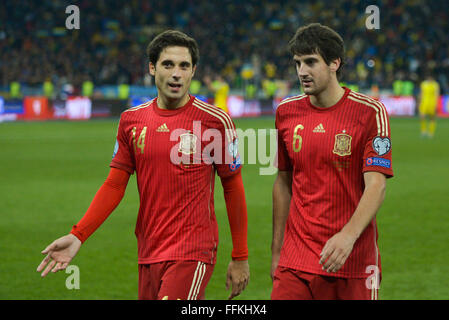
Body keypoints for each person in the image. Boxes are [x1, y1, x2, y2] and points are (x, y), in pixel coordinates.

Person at [37, 30, 250, 300]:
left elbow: (232, 186)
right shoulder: (131, 120)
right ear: (152, 68)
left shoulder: (215, 121)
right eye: (168, 64)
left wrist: (240, 255)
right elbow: (114, 184)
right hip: (148, 250)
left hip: (193, 250)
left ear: (194, 71)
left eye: (184, 66)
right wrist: (79, 234)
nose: (176, 73)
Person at [271, 23, 394, 300]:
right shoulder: (286, 112)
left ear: (334, 63)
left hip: (352, 262)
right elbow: (282, 182)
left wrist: (347, 236)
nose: (302, 71)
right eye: (298, 63)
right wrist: (277, 250)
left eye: (311, 62)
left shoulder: (370, 112)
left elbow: (376, 185)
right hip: (295, 262)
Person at [418, 72, 440, 138]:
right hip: (424, 102)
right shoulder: (423, 84)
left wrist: (436, 103)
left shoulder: (435, 85)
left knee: (432, 117)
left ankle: (431, 132)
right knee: (422, 116)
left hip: (432, 102)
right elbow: (421, 93)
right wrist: (419, 101)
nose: (430, 79)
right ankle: (423, 131)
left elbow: (437, 94)